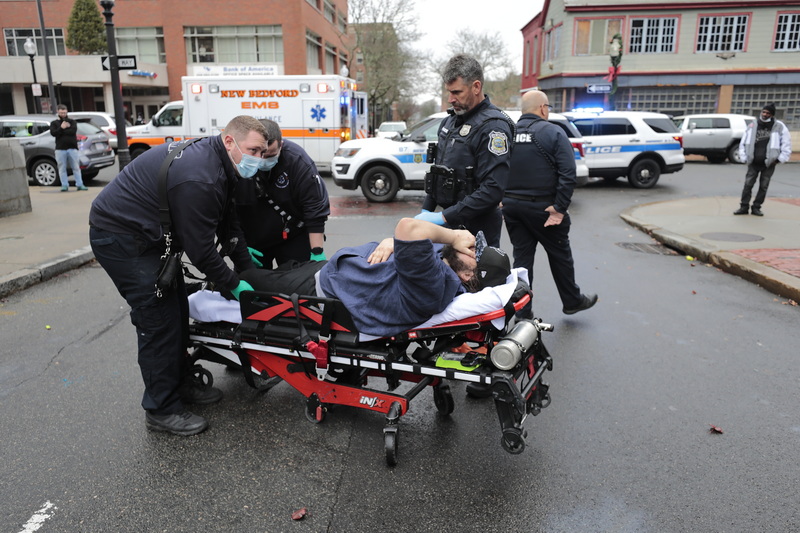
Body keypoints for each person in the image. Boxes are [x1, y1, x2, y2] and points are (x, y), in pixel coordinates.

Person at [89, 115, 268, 436]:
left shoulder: (223, 165)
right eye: (253, 149)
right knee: (157, 319)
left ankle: (181, 383)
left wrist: (248, 270)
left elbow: (230, 226)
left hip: (150, 235)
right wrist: (234, 286)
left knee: (177, 308)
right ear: (230, 141)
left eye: (263, 152)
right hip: (121, 236)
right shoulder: (201, 177)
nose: (258, 158)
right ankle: (161, 409)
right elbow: (201, 251)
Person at [237, 218, 511, 339]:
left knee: (247, 278)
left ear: (467, 274)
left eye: (474, 251)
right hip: (333, 271)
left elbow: (409, 227)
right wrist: (392, 241)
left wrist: (452, 235)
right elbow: (411, 238)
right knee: (274, 267)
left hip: (323, 288)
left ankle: (209, 294)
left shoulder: (433, 282)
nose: (467, 245)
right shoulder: (446, 262)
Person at [502, 90, 597, 317]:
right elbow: (568, 173)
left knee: (522, 261)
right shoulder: (553, 132)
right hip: (544, 209)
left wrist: (503, 200)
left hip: (513, 207)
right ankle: (572, 300)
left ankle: (523, 313)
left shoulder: (507, 134)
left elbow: (496, 169)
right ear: (543, 108)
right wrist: (560, 208)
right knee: (559, 255)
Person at [415, 54, 514, 247]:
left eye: (457, 92)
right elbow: (439, 175)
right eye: (448, 92)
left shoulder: (494, 127)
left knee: (474, 277)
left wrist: (442, 217)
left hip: (477, 229)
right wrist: (425, 214)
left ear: (476, 87)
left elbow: (492, 190)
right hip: (448, 226)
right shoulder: (450, 122)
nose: (451, 99)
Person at [236, 119, 330, 269]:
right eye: (259, 153)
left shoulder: (298, 161)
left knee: (298, 284)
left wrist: (317, 251)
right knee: (252, 286)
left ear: (281, 145)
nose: (263, 160)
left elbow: (314, 207)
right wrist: (238, 246)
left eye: (270, 155)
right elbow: (227, 208)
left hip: (292, 235)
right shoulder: (240, 160)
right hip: (253, 238)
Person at [734, 103, 792, 217]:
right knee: (748, 185)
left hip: (769, 163)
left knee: (763, 186)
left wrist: (780, 159)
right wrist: (744, 156)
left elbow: (786, 143)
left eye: (768, 113)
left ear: (772, 115)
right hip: (753, 162)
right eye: (763, 112)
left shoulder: (779, 126)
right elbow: (743, 142)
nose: (765, 114)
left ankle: (756, 207)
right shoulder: (753, 125)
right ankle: (743, 206)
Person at [49, 105, 87, 192]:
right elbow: (54, 133)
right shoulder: (54, 123)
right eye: (61, 112)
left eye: (64, 112)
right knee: (62, 168)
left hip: (72, 148)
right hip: (60, 149)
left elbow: (72, 131)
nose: (63, 114)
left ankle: (80, 184)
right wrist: (61, 128)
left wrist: (62, 131)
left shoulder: (72, 122)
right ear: (58, 112)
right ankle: (64, 185)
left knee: (76, 167)